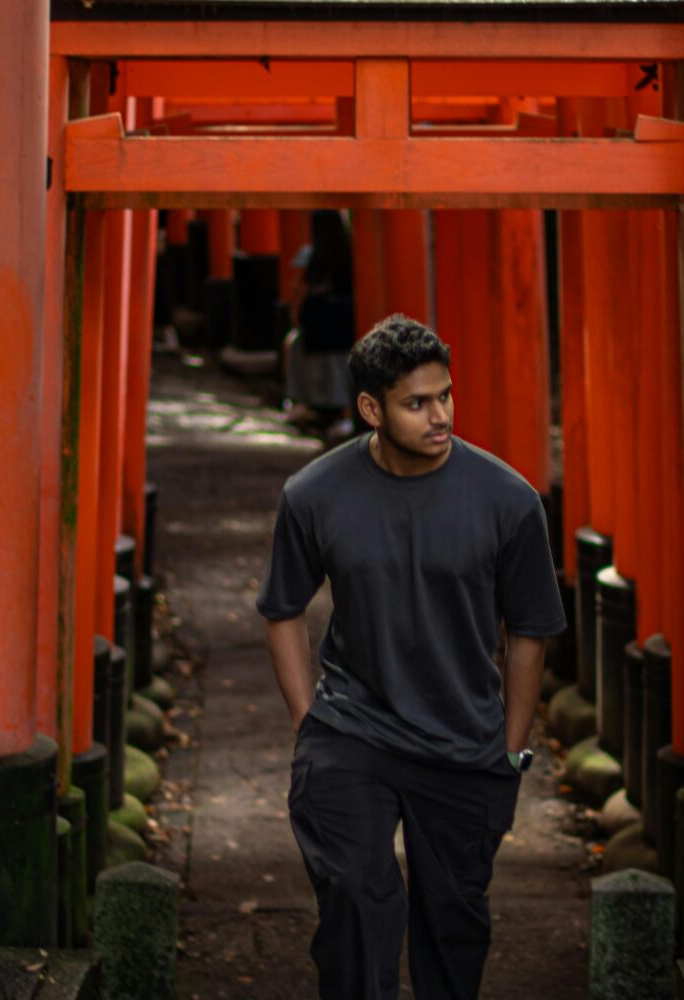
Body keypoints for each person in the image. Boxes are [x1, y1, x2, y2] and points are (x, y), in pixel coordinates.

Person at [256, 314, 567, 1000]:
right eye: (417, 403)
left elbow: (530, 633)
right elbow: (281, 609)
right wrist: (310, 723)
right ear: (371, 408)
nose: (440, 416)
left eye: (446, 396)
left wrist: (510, 753)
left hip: (464, 743)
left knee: (452, 933)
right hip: (353, 733)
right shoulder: (314, 494)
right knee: (358, 906)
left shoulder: (508, 501)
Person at [281, 209, 355, 435]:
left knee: (292, 343)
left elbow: (299, 293)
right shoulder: (351, 253)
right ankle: (345, 412)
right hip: (347, 331)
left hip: (315, 333)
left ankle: (303, 403)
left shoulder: (312, 258)